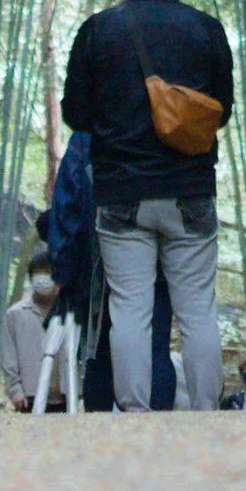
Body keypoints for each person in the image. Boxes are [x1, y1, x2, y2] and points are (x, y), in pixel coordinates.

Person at [60, 0, 235, 413]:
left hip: (121, 195)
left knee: (130, 308)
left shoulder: (98, 31)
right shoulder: (206, 29)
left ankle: (135, 415)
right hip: (191, 189)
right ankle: (205, 412)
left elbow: (75, 113)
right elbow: (222, 109)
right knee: (197, 308)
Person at [45, 130, 176, 410]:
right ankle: (160, 434)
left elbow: (67, 205)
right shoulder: (169, 124)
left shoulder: (90, 134)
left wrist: (64, 269)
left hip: (101, 263)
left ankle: (104, 438)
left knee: (101, 350)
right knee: (156, 345)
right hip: (163, 258)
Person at [1, 247, 66, 412]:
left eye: (49, 272)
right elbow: (9, 357)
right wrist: (15, 390)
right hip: (29, 395)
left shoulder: (70, 314)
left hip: (64, 396)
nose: (44, 278)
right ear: (30, 278)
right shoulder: (15, 314)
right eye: (39, 273)